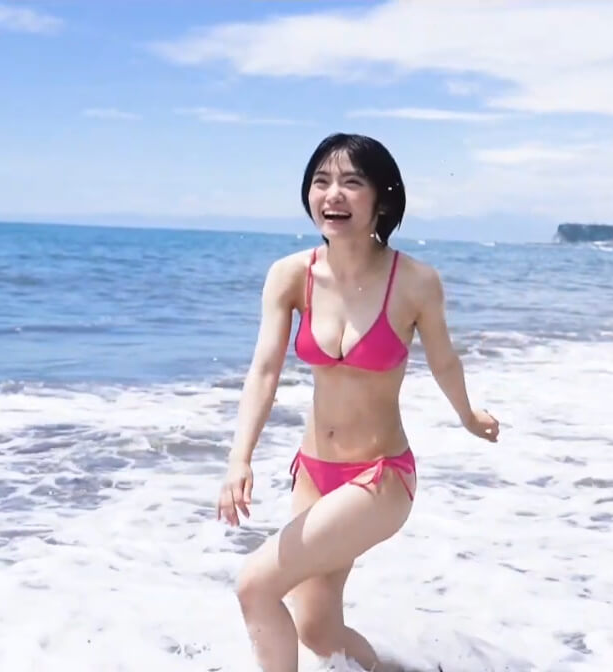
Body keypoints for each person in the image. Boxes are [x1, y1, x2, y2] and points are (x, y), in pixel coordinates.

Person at [215, 132, 501, 671]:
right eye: (321, 181)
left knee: (254, 585)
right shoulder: (290, 276)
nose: (333, 194)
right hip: (313, 471)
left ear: (382, 198)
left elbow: (444, 361)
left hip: (380, 475)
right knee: (318, 631)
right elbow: (264, 371)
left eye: (351, 182)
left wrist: (467, 415)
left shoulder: (415, 281)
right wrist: (239, 458)